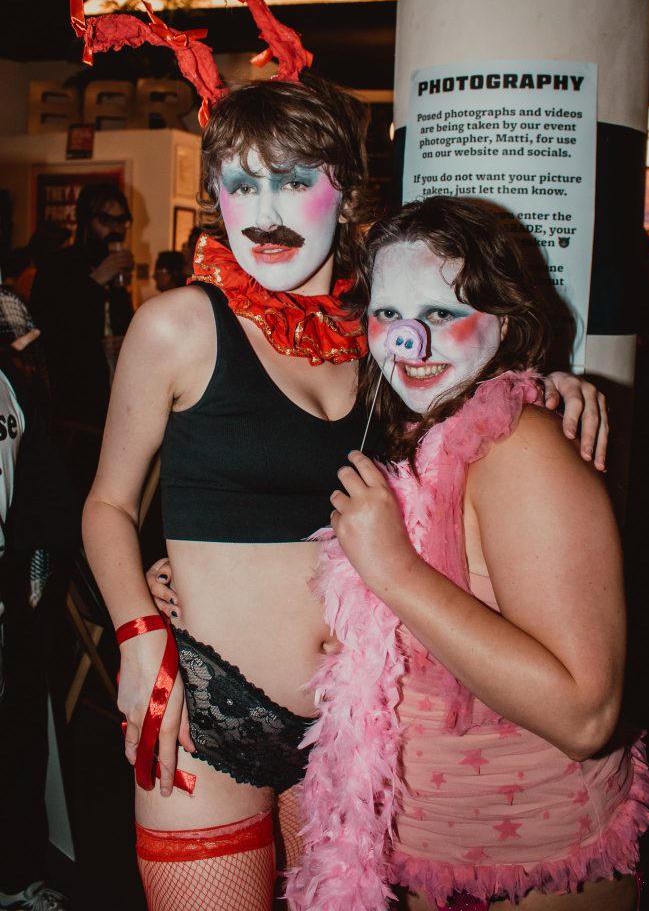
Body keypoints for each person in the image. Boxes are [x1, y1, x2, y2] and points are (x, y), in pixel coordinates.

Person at [82, 70, 608, 911]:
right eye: (242, 183)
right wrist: (138, 632)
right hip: (207, 706)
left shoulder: (379, 336)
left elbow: (461, 402)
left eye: (294, 181)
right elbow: (107, 504)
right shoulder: (177, 324)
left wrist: (552, 384)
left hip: (351, 732)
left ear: (346, 190)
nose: (265, 210)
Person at [285, 196, 649, 911]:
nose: (409, 344)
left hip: (535, 874)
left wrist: (393, 570)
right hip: (434, 860)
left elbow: (586, 715)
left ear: (507, 323)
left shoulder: (521, 449)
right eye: (390, 315)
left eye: (438, 315)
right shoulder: (418, 433)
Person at [0, 290, 81, 911]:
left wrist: (32, 578)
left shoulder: (9, 384)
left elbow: (44, 488)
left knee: (17, 736)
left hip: (10, 600)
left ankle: (16, 876)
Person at [30, 182, 135, 499]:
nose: (115, 230)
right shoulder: (57, 265)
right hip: (70, 406)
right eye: (106, 221)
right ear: (86, 221)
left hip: (109, 399)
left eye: (121, 221)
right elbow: (46, 329)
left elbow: (120, 324)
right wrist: (94, 282)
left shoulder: (117, 270)